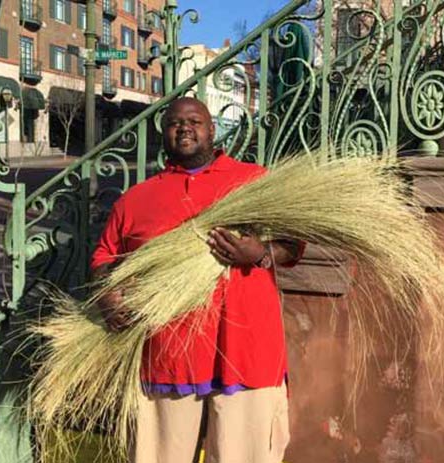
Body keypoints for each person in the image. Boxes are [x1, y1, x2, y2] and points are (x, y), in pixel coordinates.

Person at [91, 97, 302, 463]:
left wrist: (260, 254)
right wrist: (108, 296)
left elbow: (293, 243)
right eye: (174, 123)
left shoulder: (253, 181)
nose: (184, 128)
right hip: (166, 355)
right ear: (163, 134)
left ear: (212, 130)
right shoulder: (136, 200)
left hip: (246, 352)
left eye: (194, 121)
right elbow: (104, 258)